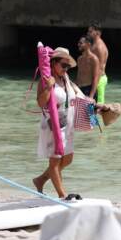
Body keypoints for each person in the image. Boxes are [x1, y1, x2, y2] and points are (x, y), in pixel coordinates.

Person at [32, 48, 82, 199]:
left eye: (68, 66)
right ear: (53, 63)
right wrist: (48, 86)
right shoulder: (45, 80)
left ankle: (40, 180)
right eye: (63, 65)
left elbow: (77, 95)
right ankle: (62, 195)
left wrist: (95, 106)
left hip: (68, 123)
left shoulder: (65, 78)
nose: (66, 68)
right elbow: (41, 103)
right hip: (53, 124)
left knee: (68, 158)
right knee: (55, 161)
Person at [87, 23, 109, 104]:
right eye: (88, 31)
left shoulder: (99, 47)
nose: (88, 33)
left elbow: (100, 68)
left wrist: (92, 94)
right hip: (95, 79)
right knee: (93, 107)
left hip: (99, 80)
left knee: (99, 106)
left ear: (98, 33)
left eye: (90, 31)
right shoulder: (94, 45)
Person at [76, 35, 100, 100]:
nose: (78, 45)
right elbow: (79, 75)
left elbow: (96, 78)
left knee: (89, 110)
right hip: (79, 90)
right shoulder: (79, 59)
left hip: (89, 90)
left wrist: (91, 96)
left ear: (88, 44)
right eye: (79, 43)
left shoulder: (94, 59)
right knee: (79, 110)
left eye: (81, 43)